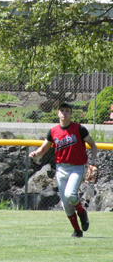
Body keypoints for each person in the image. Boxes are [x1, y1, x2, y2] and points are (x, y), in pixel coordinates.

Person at [29, 102, 97, 238]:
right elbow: (43, 149)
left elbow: (93, 146)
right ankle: (77, 231)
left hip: (77, 167)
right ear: (58, 113)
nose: (64, 113)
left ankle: (82, 212)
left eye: (67, 111)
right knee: (66, 204)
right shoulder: (53, 131)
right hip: (61, 168)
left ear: (71, 114)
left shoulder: (79, 129)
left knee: (70, 195)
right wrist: (36, 153)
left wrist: (93, 163)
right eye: (62, 110)